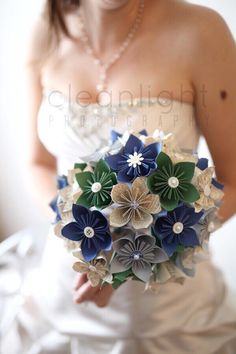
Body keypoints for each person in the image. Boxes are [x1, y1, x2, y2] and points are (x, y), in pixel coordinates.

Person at [21, 0, 236, 353]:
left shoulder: (201, 32)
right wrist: (81, 240)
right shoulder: (46, 28)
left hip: (167, 310)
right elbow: (38, 164)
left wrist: (130, 261)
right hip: (63, 281)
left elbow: (234, 179)